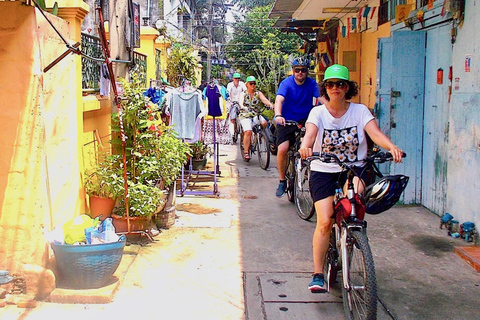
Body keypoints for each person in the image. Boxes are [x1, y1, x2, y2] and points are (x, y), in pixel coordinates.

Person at [297, 64, 404, 292]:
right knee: (324, 221)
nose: (336, 88)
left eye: (340, 84)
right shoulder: (318, 112)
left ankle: (350, 236)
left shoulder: (360, 111)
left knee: (353, 206)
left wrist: (392, 147)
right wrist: (306, 148)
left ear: (348, 88)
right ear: (326, 88)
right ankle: (317, 273)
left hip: (354, 169)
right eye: (331, 84)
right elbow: (310, 135)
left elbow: (375, 134)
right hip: (323, 170)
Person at [274, 56, 320, 197]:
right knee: (283, 148)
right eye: (297, 70)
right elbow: (279, 100)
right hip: (286, 120)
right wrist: (278, 115)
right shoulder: (286, 83)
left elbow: (322, 99)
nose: (300, 73)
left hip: (305, 119)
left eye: (303, 70)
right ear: (293, 71)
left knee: (314, 147)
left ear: (307, 72)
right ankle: (282, 180)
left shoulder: (312, 84)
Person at [238, 76, 273, 161]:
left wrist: (270, 105)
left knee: (264, 123)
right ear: (247, 85)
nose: (253, 85)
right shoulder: (243, 94)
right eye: (251, 83)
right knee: (248, 131)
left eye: (254, 83)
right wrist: (242, 107)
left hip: (255, 113)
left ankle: (260, 136)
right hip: (245, 114)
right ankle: (246, 151)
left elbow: (264, 100)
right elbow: (240, 102)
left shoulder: (258, 93)